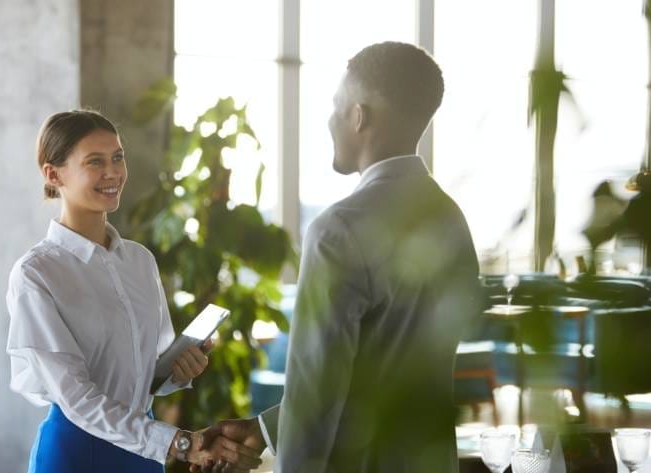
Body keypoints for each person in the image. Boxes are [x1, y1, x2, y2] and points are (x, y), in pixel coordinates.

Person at [197, 42, 481, 473]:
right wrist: (267, 430)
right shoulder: (450, 219)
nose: (330, 120)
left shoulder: (338, 229)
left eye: (335, 107)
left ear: (359, 115)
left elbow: (317, 398)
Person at [6, 110, 262, 473]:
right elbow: (76, 397)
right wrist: (179, 442)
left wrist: (178, 368)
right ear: (53, 174)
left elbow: (145, 372)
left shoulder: (140, 261)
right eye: (95, 161)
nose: (113, 172)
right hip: (77, 453)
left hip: (141, 455)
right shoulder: (37, 273)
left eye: (117, 157)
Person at [581, 180, 626, 273]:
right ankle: (594, 272)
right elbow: (620, 212)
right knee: (598, 255)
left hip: (590, 230)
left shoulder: (596, 199)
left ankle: (589, 273)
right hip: (601, 230)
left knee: (592, 255)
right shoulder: (610, 201)